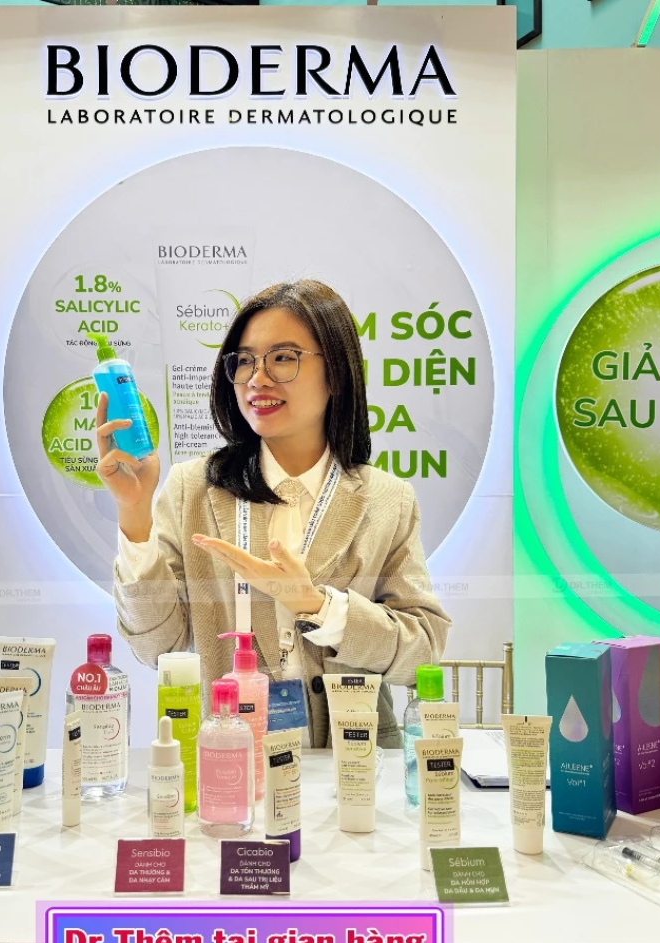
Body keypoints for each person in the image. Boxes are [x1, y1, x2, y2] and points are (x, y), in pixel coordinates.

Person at [96, 280, 450, 748]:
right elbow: (156, 647)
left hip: (350, 765)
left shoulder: (387, 500)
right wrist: (134, 512)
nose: (257, 378)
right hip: (231, 761)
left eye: (283, 358)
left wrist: (317, 606)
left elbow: (422, 649)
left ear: (336, 373)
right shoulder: (192, 489)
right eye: (244, 360)